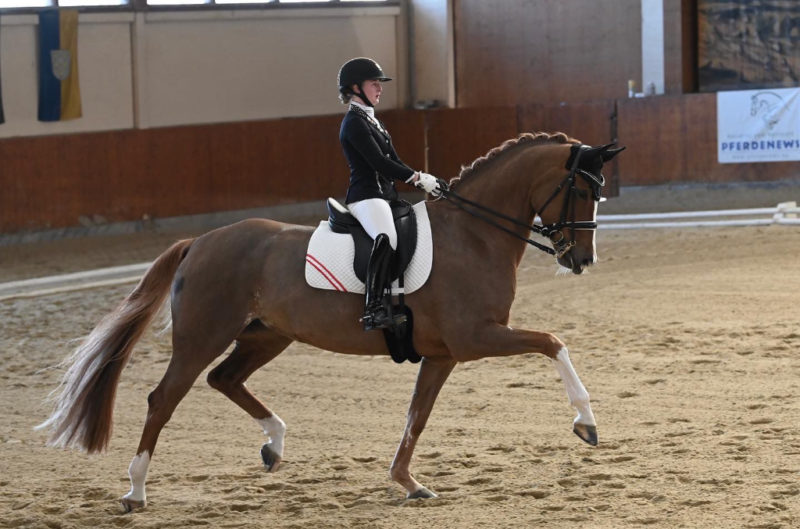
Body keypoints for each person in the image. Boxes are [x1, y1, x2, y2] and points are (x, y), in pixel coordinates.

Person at [337, 57, 443, 331]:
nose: (379, 89)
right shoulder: (354, 123)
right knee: (386, 236)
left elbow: (394, 159)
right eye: (374, 84)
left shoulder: (374, 122)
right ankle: (373, 308)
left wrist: (424, 179)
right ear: (355, 87)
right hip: (366, 196)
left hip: (385, 195)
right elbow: (379, 163)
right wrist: (418, 179)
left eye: (379, 84)